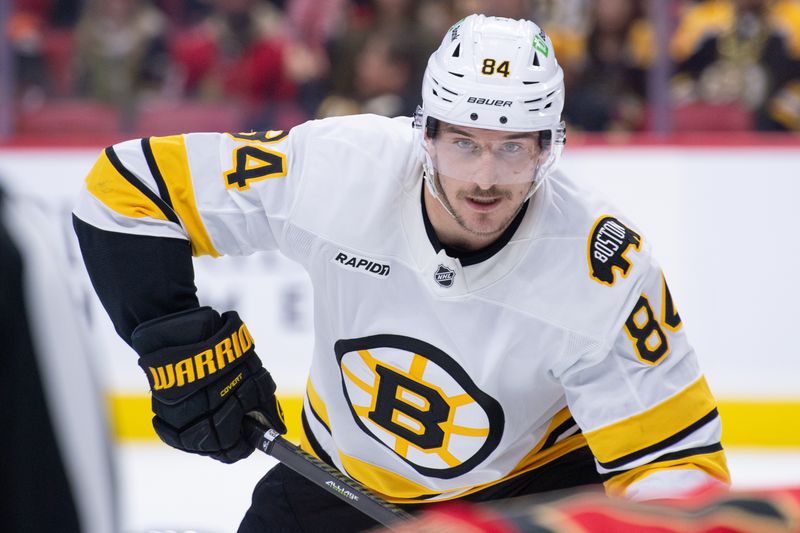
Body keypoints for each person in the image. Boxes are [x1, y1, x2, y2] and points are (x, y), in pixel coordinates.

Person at [72, 14, 730, 533]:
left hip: (531, 499)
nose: (484, 177)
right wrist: (180, 346)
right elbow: (125, 189)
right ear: (426, 132)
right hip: (340, 484)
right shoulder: (341, 169)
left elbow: (675, 472)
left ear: (548, 147)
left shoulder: (602, 268)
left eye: (513, 148)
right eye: (463, 141)